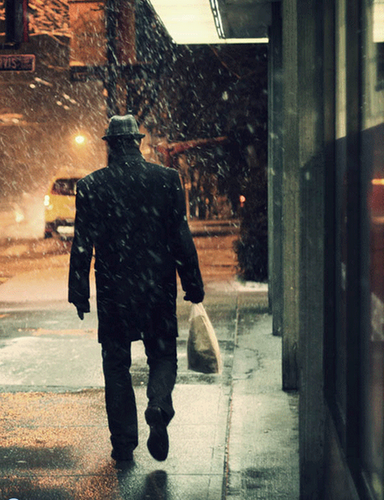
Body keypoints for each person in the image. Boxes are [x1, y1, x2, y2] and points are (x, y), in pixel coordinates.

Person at [68, 114, 204, 463]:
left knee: (116, 364)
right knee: (162, 356)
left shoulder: (91, 186)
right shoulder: (167, 180)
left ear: (110, 146)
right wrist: (193, 283)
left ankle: (124, 443)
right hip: (157, 287)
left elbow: (82, 243)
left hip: (114, 290)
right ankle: (158, 404)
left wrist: (79, 291)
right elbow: (180, 237)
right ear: (138, 143)